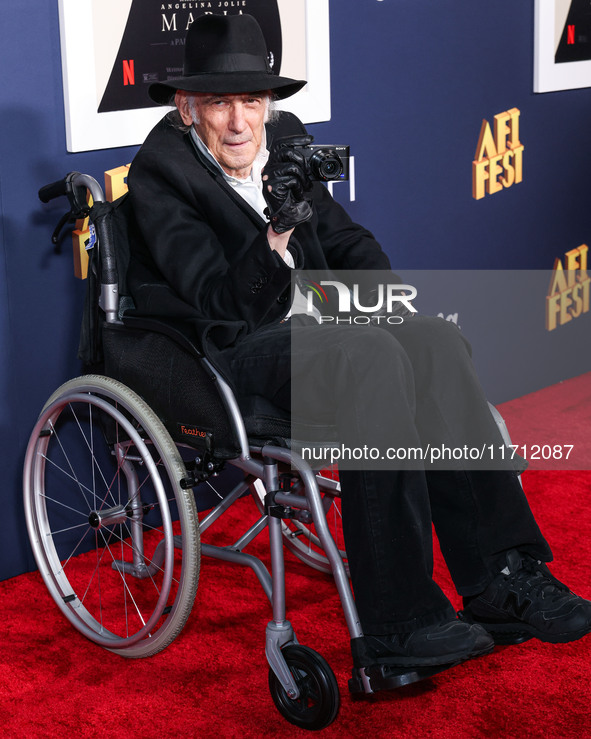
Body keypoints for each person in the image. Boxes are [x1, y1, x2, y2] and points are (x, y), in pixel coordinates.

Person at [126, 13, 591, 668]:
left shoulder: (286, 145)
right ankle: (397, 619)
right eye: (218, 103)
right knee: (368, 356)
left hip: (320, 325)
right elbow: (213, 302)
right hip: (232, 346)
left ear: (269, 102)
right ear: (186, 107)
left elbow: (348, 241)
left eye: (250, 101)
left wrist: (383, 304)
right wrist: (275, 236)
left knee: (429, 339)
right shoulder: (160, 175)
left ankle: (499, 578)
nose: (238, 122)